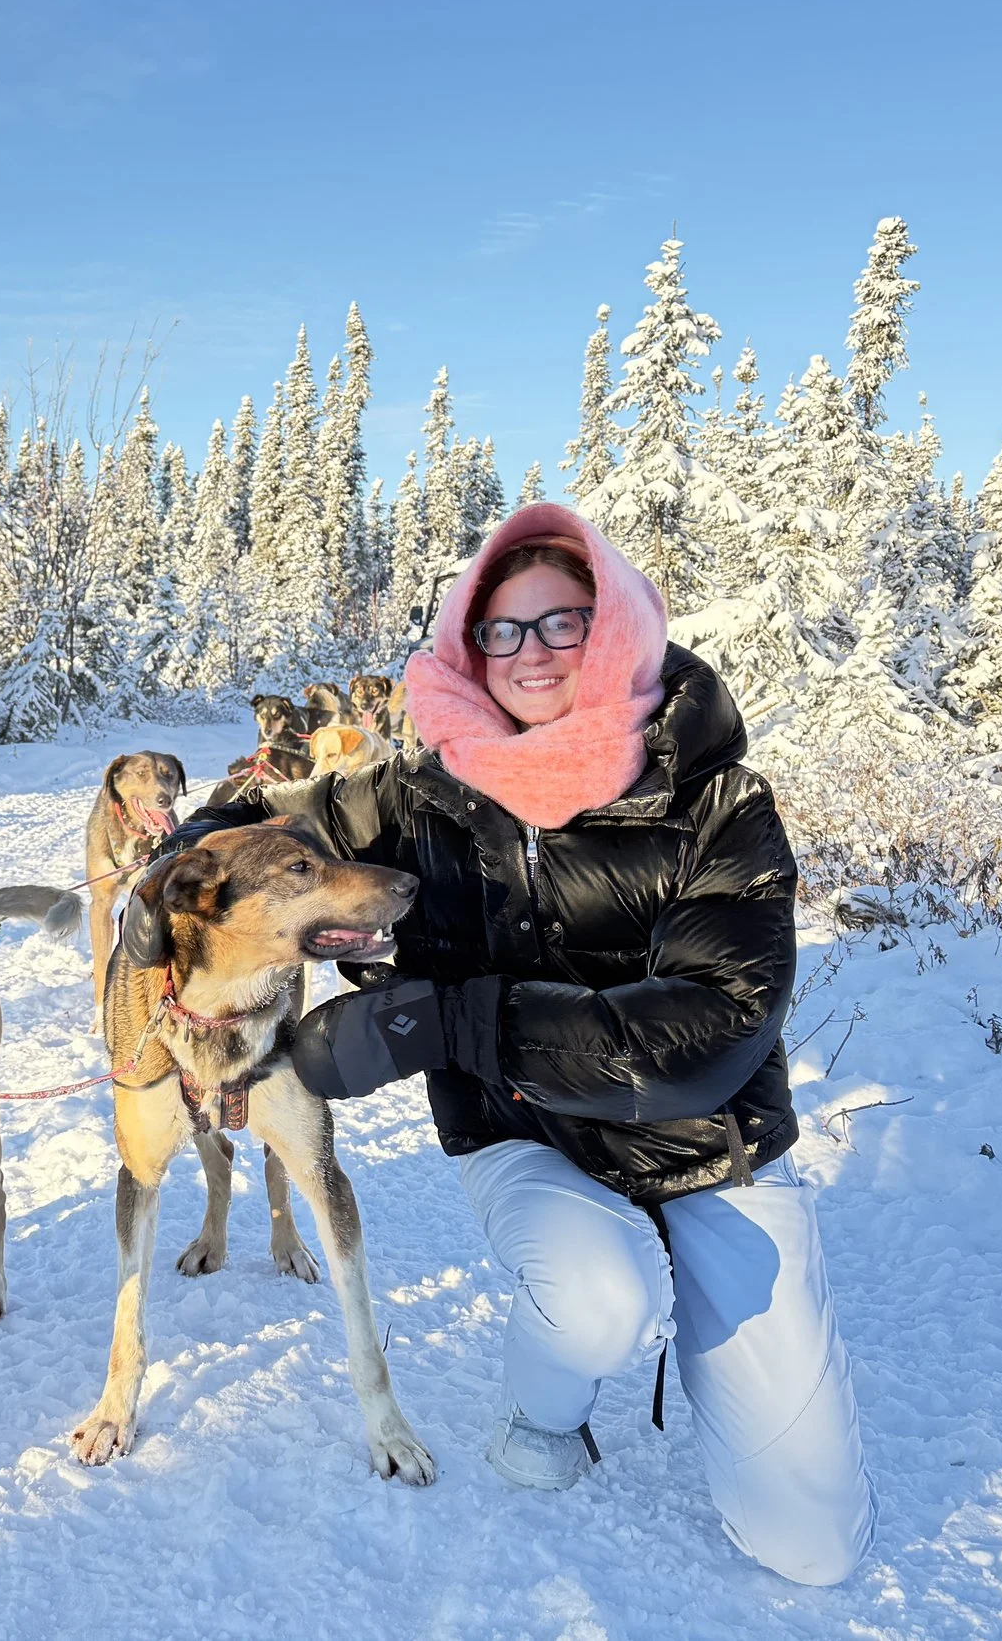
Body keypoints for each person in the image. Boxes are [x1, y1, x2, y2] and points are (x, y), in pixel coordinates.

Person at [188, 501, 875, 1586]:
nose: (530, 654)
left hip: (709, 1153)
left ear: (616, 627)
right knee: (602, 1300)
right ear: (468, 646)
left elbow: (710, 1028)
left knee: (814, 1546)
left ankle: (711, 1337)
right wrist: (175, 875)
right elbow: (272, 824)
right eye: (500, 631)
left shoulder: (714, 800)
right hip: (524, 1133)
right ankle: (543, 1414)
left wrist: (446, 1019)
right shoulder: (425, 789)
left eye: (562, 622)